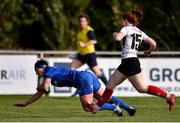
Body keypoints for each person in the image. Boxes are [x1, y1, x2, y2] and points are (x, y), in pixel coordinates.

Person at [89, 9, 176, 113]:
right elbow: (153, 43)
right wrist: (148, 51)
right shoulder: (139, 31)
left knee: (139, 88)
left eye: (122, 20)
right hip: (131, 61)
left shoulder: (126, 28)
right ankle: (96, 107)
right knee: (112, 86)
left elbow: (117, 38)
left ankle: (168, 96)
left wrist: (115, 34)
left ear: (125, 20)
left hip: (128, 61)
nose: (121, 23)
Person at [14, 59, 136, 116]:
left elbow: (44, 88)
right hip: (87, 75)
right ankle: (129, 108)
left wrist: (39, 88)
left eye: (36, 71)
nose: (36, 73)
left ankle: (114, 108)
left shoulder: (47, 72)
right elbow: (43, 91)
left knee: (89, 107)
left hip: (82, 79)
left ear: (41, 68)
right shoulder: (50, 72)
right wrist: (27, 103)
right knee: (105, 97)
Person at [70, 14, 107, 96]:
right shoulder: (80, 31)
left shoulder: (89, 30)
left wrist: (84, 44)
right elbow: (80, 45)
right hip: (81, 55)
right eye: (80, 21)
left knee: (98, 73)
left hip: (90, 55)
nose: (81, 23)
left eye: (83, 21)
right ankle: (79, 90)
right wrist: (76, 53)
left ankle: (109, 88)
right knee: (71, 69)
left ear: (87, 22)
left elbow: (94, 41)